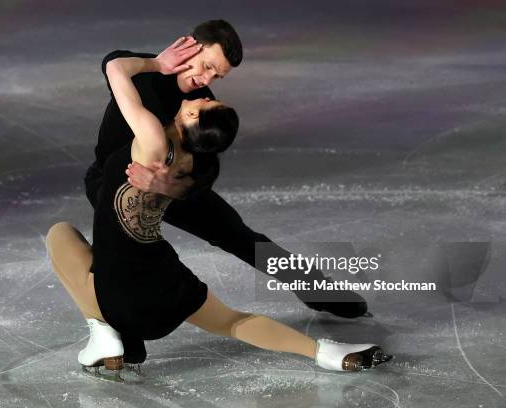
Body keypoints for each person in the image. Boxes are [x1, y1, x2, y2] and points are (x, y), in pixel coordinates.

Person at [45, 37, 392, 381]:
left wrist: (171, 187)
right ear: (191, 47)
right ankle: (124, 339)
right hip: (113, 181)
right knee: (117, 255)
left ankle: (317, 289)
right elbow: (114, 59)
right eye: (207, 66)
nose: (207, 80)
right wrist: (155, 63)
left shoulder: (202, 103)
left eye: (218, 76)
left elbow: (207, 167)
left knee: (239, 235)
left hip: (172, 184)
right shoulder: (146, 75)